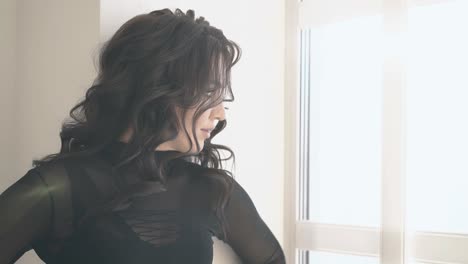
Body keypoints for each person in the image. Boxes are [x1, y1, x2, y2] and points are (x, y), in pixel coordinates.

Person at [0, 8, 286, 264]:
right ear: (158, 87)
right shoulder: (59, 188)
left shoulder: (212, 189)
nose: (221, 114)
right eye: (210, 93)